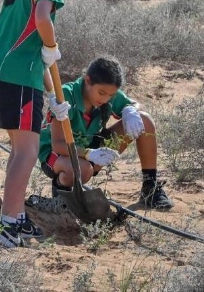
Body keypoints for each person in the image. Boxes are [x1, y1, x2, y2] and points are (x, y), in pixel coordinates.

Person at [0, 0, 77, 248]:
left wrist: (52, 97)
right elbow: (44, 21)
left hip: (1, 74)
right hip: (17, 77)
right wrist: (51, 46)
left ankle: (16, 215)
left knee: (20, 149)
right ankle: (7, 226)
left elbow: (34, 52)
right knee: (28, 152)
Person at [39, 56, 173, 210]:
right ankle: (62, 192)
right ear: (88, 80)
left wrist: (131, 110)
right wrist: (89, 154)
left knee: (145, 120)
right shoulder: (66, 96)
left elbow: (133, 104)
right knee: (82, 170)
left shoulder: (107, 95)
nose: (105, 99)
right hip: (58, 155)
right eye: (101, 93)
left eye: (110, 95)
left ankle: (150, 188)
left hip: (91, 148)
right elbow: (58, 145)